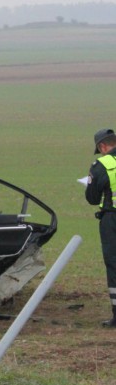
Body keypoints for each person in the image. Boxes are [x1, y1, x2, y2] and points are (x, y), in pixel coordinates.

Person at [85, 127, 116, 327]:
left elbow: (92, 198)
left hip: (112, 220)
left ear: (102, 146)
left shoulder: (101, 164)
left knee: (114, 263)